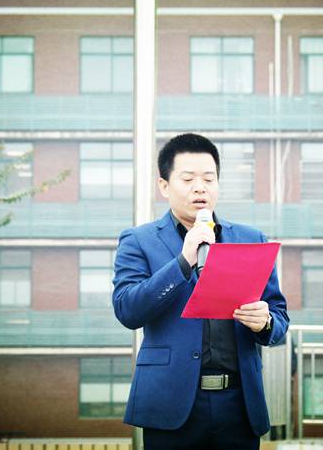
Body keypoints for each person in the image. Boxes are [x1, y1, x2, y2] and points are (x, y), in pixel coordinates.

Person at [112, 133, 289, 449]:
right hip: (170, 403)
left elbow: (279, 319)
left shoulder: (251, 238)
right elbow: (127, 310)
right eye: (188, 179)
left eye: (209, 179)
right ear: (164, 186)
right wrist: (183, 262)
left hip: (239, 405)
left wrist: (265, 322)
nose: (200, 187)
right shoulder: (139, 240)